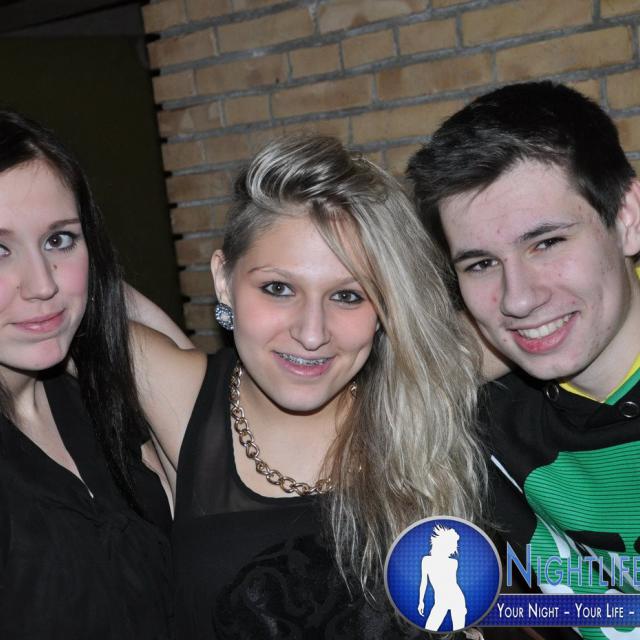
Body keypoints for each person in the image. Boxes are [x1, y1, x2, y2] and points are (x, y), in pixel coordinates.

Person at [132, 135, 487, 638]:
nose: (313, 333)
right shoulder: (183, 394)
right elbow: (65, 290)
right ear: (224, 280)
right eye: (278, 288)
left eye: (348, 296)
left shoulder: (420, 401)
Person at [407, 81, 640, 640]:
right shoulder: (482, 414)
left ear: (628, 217)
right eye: (481, 264)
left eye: (547, 243)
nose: (518, 299)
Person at [0, 110, 173, 638]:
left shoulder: (94, 395)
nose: (42, 284)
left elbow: (218, 461)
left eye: (59, 240)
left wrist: (97, 294)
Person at [418, 525, 466, 632]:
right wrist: (421, 601)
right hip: (440, 601)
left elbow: (452, 584)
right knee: (429, 629)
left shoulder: (453, 563)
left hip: (456, 599)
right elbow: (423, 582)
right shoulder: (426, 561)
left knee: (459, 632)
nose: (452, 550)